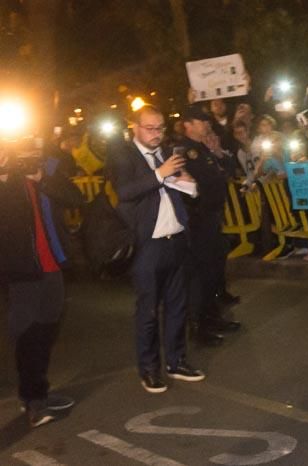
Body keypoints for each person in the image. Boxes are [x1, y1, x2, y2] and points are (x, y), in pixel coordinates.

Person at [105, 104, 205, 392]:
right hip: (146, 244)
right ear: (134, 127)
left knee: (177, 307)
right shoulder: (123, 154)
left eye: (160, 128)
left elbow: (180, 186)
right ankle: (149, 369)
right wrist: (160, 173)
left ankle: (176, 361)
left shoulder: (166, 153)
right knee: (148, 310)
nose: (156, 134)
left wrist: (188, 184)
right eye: (149, 128)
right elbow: (125, 192)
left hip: (174, 239)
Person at [0, 140, 82, 427]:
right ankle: (33, 401)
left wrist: (42, 178)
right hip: (22, 269)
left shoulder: (44, 167)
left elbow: (75, 198)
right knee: (27, 334)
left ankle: (39, 393)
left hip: (53, 263)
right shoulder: (5, 179)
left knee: (46, 331)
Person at [178, 105, 242, 346]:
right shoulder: (183, 151)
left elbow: (224, 172)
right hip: (198, 220)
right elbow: (192, 186)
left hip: (212, 217)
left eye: (206, 121)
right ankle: (199, 326)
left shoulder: (202, 149)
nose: (206, 125)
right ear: (188, 124)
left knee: (215, 271)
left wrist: (218, 153)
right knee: (201, 274)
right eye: (201, 121)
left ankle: (213, 317)